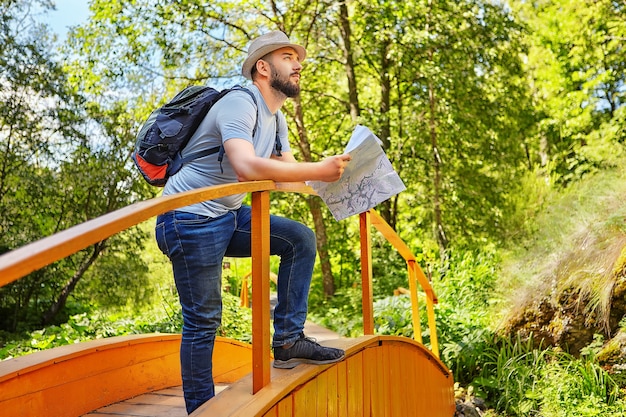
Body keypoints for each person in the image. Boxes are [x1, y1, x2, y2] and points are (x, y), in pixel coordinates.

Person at [155, 31, 351, 414]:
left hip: (227, 214)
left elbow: (289, 174)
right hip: (188, 218)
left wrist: (342, 174)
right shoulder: (239, 103)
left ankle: (289, 341)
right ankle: (201, 409)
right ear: (263, 67)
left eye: (299, 59)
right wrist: (320, 171)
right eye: (287, 57)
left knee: (299, 239)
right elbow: (246, 167)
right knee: (204, 318)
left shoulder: (276, 118)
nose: (298, 65)